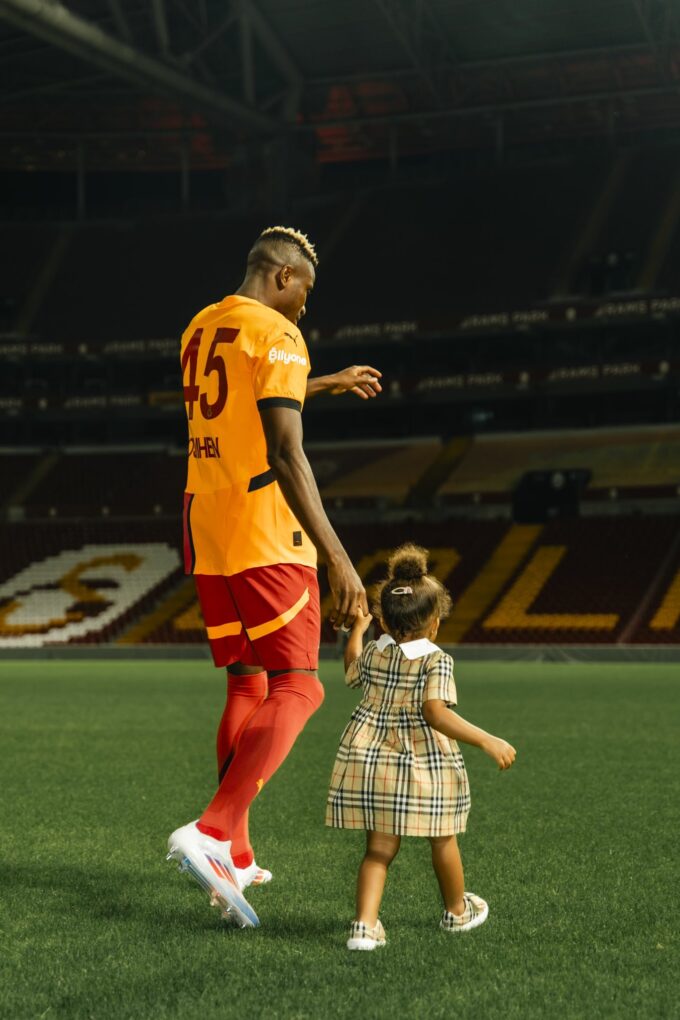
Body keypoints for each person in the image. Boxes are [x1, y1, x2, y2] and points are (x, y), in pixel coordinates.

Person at [167, 225, 382, 927]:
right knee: (300, 685)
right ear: (284, 276)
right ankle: (211, 830)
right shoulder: (279, 332)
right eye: (305, 293)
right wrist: (338, 557)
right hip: (267, 528)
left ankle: (235, 853)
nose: (305, 309)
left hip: (207, 522)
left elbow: (242, 405)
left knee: (247, 683)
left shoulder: (202, 325)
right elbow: (286, 451)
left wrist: (323, 382)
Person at [325, 543, 517, 950]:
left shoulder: (376, 650)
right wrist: (487, 739)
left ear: (384, 620)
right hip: (423, 763)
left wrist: (358, 631)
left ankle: (364, 927)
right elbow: (435, 712)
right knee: (443, 837)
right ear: (435, 623)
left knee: (378, 850)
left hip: (372, 758)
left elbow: (351, 673)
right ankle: (457, 912)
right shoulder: (436, 659)